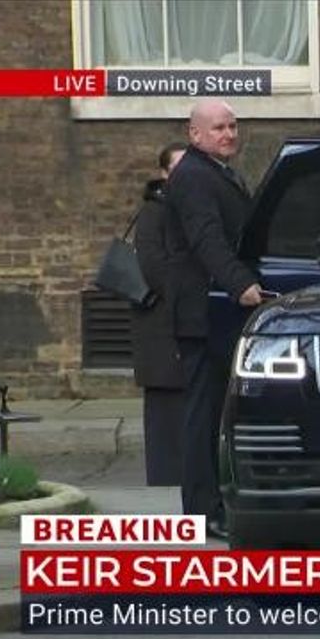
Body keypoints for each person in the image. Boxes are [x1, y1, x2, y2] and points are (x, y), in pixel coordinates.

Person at [165, 99, 264, 538]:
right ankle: (201, 512)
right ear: (195, 134)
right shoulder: (192, 177)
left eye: (232, 126)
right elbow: (207, 239)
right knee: (202, 415)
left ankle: (215, 503)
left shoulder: (218, 172)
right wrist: (241, 284)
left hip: (214, 310)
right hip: (201, 312)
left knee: (214, 413)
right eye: (219, 128)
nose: (229, 134)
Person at [131, 142, 187, 487]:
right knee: (165, 408)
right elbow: (153, 266)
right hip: (160, 324)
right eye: (177, 168)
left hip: (178, 322)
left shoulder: (185, 208)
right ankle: (166, 479)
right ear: (164, 173)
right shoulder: (155, 212)